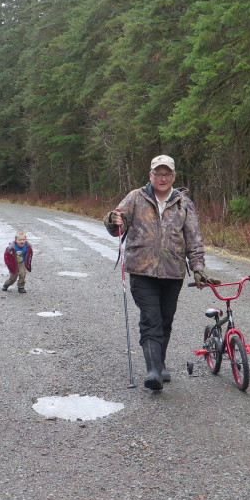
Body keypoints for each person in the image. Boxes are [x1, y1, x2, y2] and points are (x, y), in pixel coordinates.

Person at [104, 155, 213, 390]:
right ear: (150, 176)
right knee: (151, 319)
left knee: (165, 320)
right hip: (141, 271)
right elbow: (115, 225)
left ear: (173, 176)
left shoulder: (183, 203)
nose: (162, 178)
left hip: (173, 272)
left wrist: (198, 269)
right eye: (158, 174)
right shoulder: (135, 198)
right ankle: (153, 371)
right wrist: (112, 220)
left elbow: (194, 240)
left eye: (167, 174)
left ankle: (160, 363)